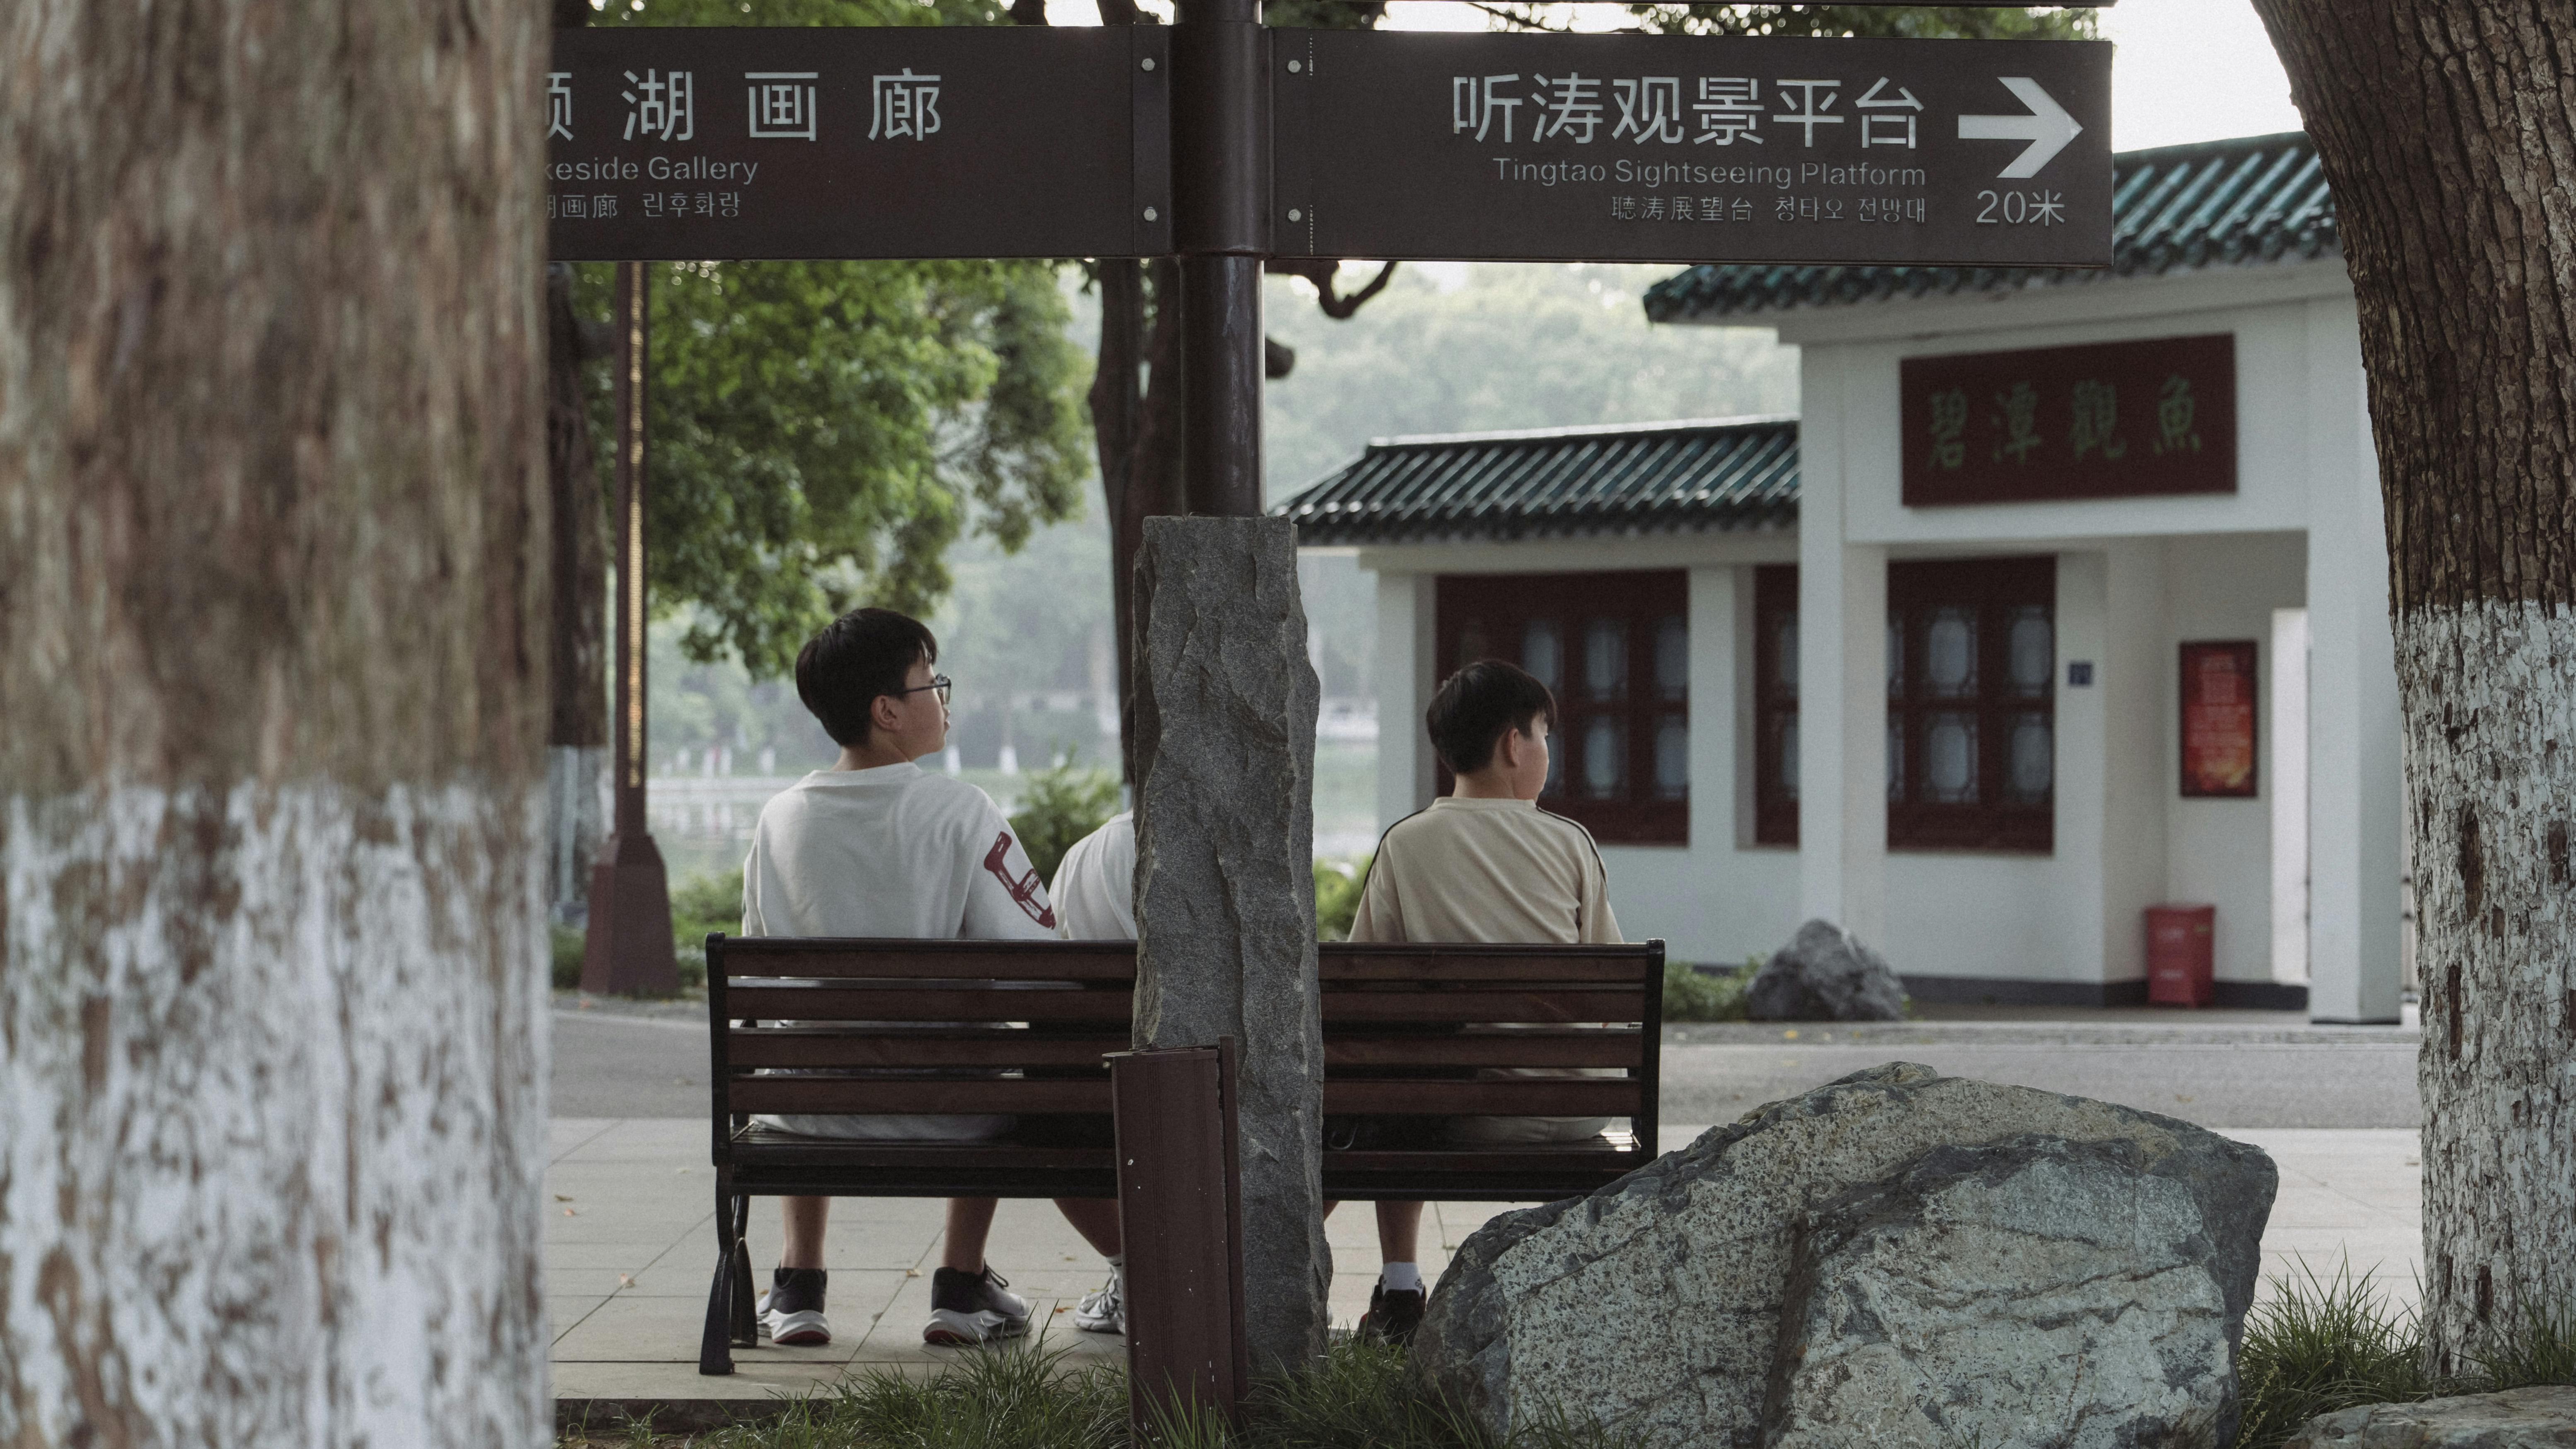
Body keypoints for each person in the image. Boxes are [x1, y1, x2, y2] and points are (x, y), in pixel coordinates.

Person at [739, 608, 1122, 1349]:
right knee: (987, 1053)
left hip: (805, 1114)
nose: (943, 699)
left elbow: (770, 977)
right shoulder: (961, 811)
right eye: (930, 682)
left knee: (805, 1033)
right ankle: (957, 1285)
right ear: (887, 711)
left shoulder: (780, 819)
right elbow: (1040, 970)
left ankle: (798, 1288)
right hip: (954, 1113)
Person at [1338, 658, 1623, 1346]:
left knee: (1391, 1075)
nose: (1547, 752)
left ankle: (1401, 1285)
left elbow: (1361, 992)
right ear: (1512, 744)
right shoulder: (1569, 843)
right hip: (1576, 1109)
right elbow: (1612, 993)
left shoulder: (1405, 847)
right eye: (1545, 735)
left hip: (1466, 1118)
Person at [1045, 808, 1134, 1336]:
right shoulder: (1249, 844)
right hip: (1234, 1099)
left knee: (1039, 1113)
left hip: (1097, 1111)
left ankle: (1133, 1272)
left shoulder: (1085, 857)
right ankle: (1247, 1275)